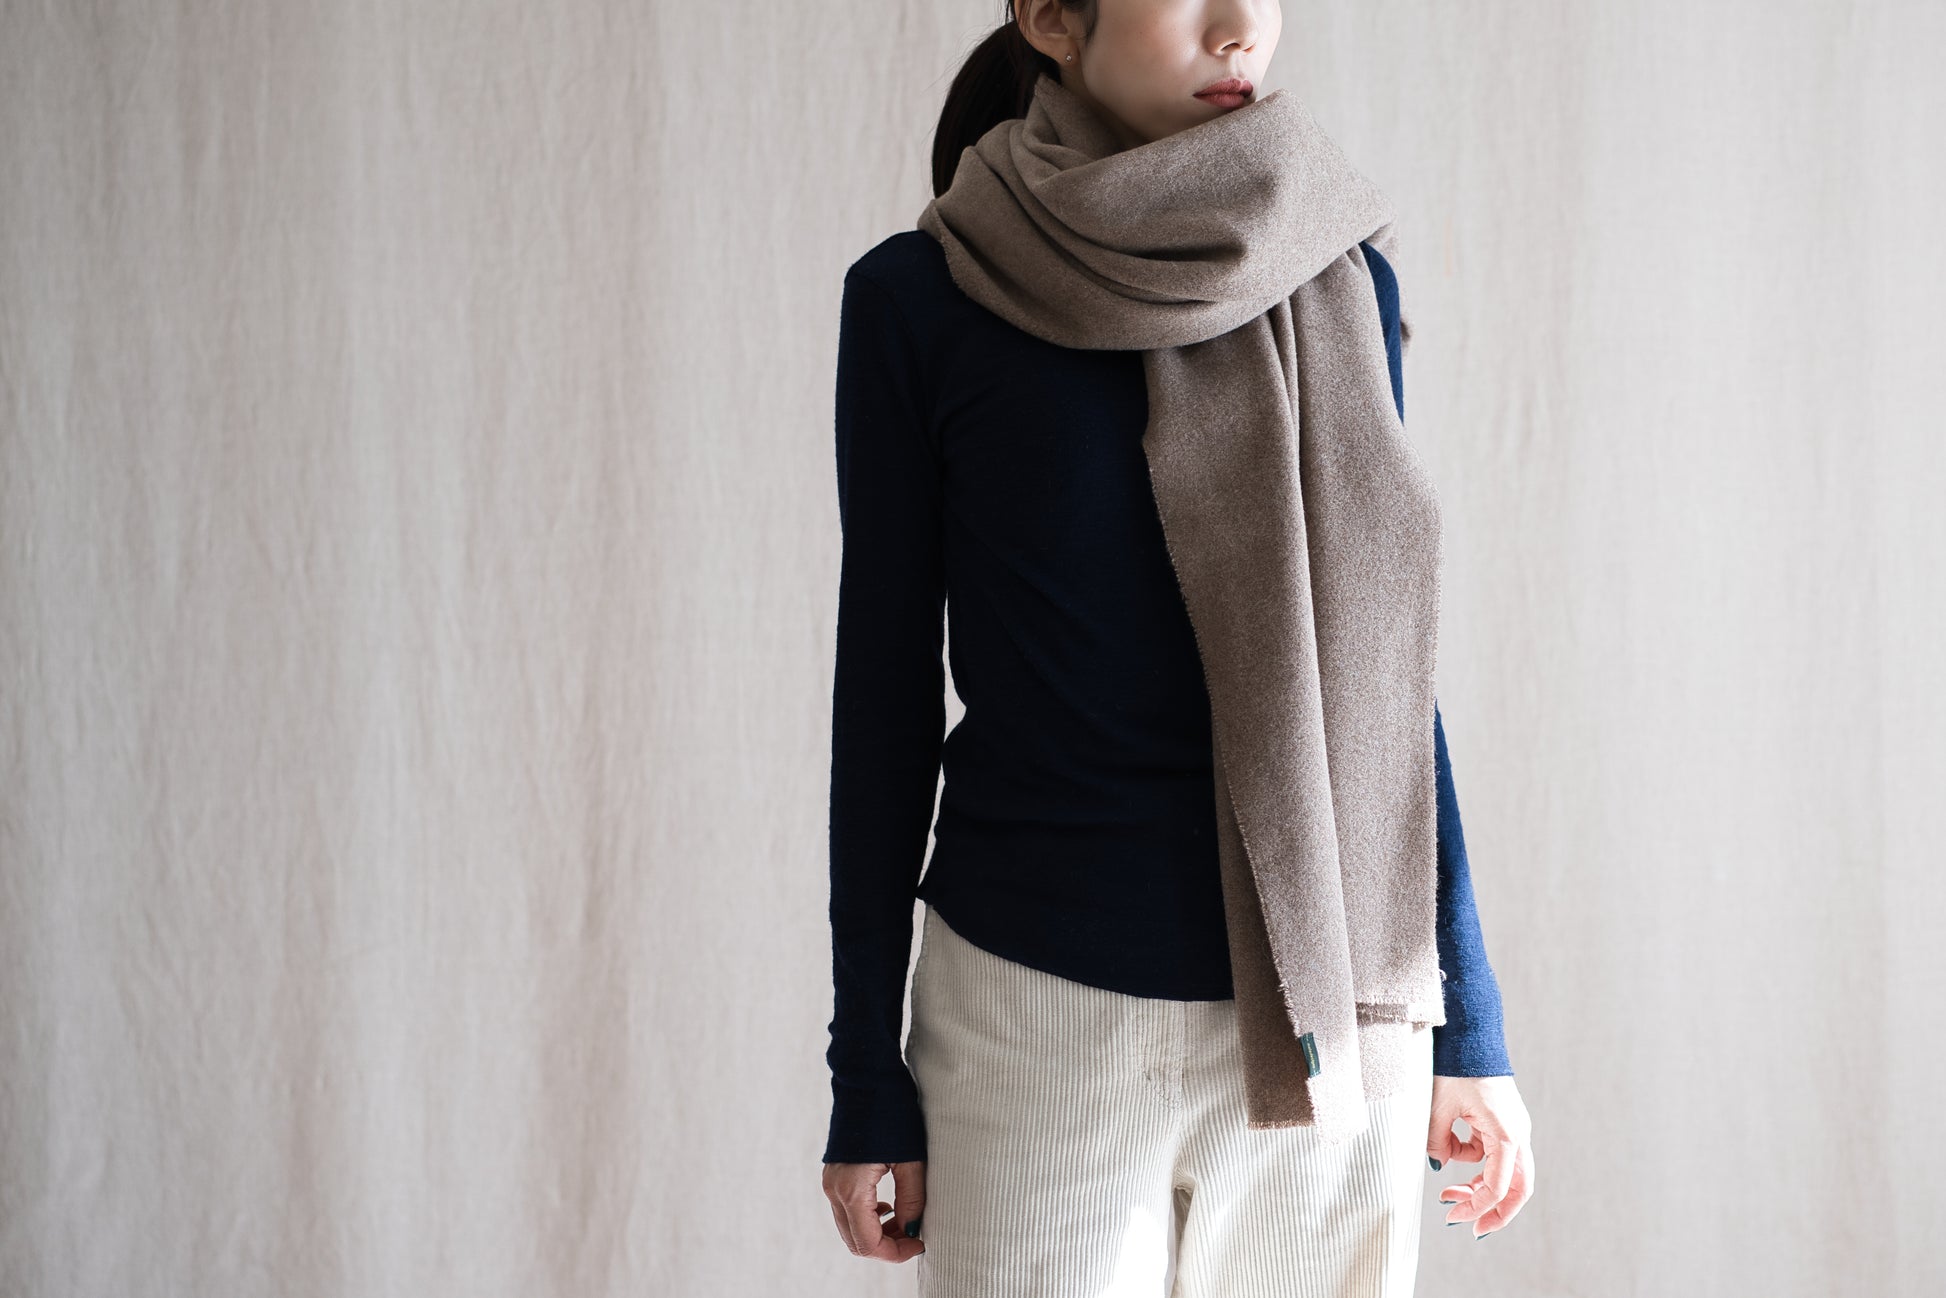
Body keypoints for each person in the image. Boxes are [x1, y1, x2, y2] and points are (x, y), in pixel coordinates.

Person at [818, 1, 1537, 1292]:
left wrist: (1467, 1020)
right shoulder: (919, 301)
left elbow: (1380, 682)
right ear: (1052, 17)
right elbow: (881, 701)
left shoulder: (1339, 280)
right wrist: (863, 1062)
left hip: (1332, 1011)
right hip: (1032, 1014)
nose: (1239, 26)